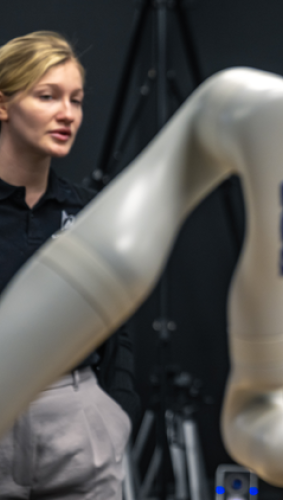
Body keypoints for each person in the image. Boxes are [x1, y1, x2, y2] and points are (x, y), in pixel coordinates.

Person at [0, 31, 139, 498]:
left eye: (75, 100)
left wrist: (118, 411)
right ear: (2, 106)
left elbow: (117, 327)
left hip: (78, 422)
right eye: (47, 96)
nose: (67, 114)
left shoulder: (92, 214)